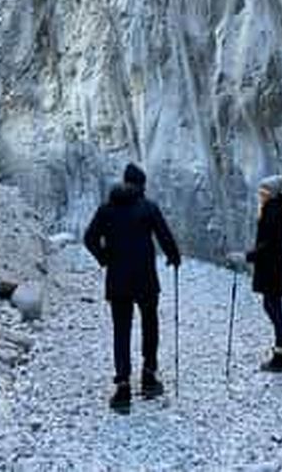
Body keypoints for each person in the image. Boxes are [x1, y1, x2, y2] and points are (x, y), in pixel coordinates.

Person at [84, 162, 181, 411]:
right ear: (141, 185)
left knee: (121, 330)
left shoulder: (106, 209)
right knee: (150, 323)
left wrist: (105, 257)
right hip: (146, 279)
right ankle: (149, 376)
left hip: (117, 281)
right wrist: (174, 256)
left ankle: (123, 386)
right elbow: (164, 236)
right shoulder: (148, 208)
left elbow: (89, 238)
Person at [246, 173, 282, 371]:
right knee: (274, 306)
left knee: (271, 306)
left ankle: (281, 354)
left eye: (264, 190)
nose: (261, 193)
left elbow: (269, 244)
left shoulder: (273, 212)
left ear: (273, 192)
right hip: (273, 265)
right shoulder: (273, 208)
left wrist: (249, 256)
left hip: (271, 266)